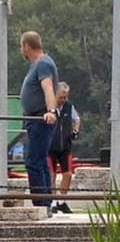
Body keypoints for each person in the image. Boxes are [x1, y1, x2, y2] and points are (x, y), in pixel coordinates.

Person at [18, 30, 60, 212]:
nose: (21, 50)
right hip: (34, 118)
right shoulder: (37, 64)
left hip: (41, 118)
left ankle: (41, 204)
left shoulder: (43, 63)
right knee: (40, 161)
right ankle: (45, 202)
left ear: (27, 46)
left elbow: (48, 87)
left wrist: (51, 111)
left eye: (21, 46)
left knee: (34, 161)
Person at [50, 81, 80, 211]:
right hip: (50, 147)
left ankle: (61, 200)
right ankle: (52, 202)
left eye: (65, 97)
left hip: (65, 146)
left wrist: (75, 131)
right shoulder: (49, 106)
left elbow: (77, 119)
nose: (63, 100)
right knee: (51, 175)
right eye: (61, 97)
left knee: (67, 174)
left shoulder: (69, 106)